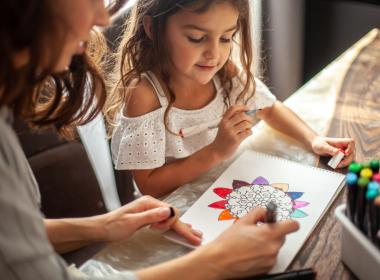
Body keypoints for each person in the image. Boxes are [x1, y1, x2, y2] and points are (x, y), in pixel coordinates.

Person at [0, 0, 299, 279]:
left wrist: (104, 225)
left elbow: (16, 236)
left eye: (226, 38)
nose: (103, 18)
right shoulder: (145, 93)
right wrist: (216, 260)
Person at [105, 0, 356, 198]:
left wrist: (314, 140)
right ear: (152, 28)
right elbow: (150, 186)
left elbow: (269, 108)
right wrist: (215, 152)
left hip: (219, 187)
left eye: (226, 38)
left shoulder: (224, 74)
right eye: (196, 38)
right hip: (171, 211)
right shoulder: (145, 94)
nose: (214, 53)